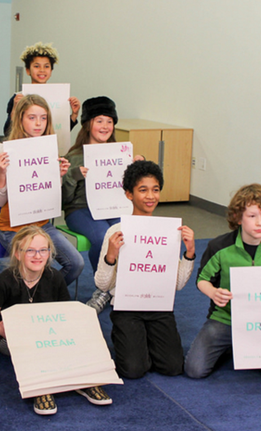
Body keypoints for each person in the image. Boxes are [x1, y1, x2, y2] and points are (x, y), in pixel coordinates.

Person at [184, 183, 261, 385]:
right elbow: (202, 280)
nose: (260, 222)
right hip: (225, 319)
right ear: (238, 218)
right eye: (252, 216)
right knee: (194, 370)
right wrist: (214, 292)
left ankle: (251, 349)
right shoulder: (219, 246)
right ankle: (233, 346)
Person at [0, 225, 112, 415]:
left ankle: (87, 381)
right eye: (30, 251)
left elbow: (64, 315)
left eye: (43, 250)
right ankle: (42, 388)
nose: (38, 256)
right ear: (18, 254)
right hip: (10, 339)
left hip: (47, 333)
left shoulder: (55, 277)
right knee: (33, 347)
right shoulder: (4, 281)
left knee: (82, 337)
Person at [94, 161, 196, 379]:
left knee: (173, 367)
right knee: (133, 370)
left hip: (158, 306)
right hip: (126, 306)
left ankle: (144, 338)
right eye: (143, 190)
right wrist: (110, 255)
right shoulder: (117, 230)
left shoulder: (169, 231)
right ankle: (130, 336)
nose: (151, 196)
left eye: (155, 190)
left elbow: (177, 284)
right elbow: (103, 285)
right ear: (129, 194)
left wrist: (189, 253)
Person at [62, 96, 144, 311]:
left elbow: (132, 192)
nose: (105, 126)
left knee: (128, 233)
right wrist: (74, 175)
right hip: (80, 210)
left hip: (113, 207)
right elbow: (64, 199)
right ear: (88, 124)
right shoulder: (75, 155)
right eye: (99, 121)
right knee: (103, 237)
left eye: (109, 121)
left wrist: (137, 168)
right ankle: (103, 289)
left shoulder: (120, 153)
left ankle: (125, 287)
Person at [0, 94, 85, 286]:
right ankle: (36, 295)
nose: (38, 123)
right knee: (31, 268)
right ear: (20, 119)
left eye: (43, 118)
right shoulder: (8, 152)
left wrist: (58, 176)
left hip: (42, 225)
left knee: (76, 263)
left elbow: (49, 196)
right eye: (32, 117)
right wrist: (1, 173)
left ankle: (43, 293)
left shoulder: (50, 151)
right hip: (13, 228)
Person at [3, 42, 80, 136]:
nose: (42, 70)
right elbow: (7, 132)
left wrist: (74, 115)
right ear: (28, 70)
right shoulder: (18, 97)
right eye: (36, 66)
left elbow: (60, 131)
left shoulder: (58, 96)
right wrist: (15, 108)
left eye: (46, 66)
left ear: (51, 70)